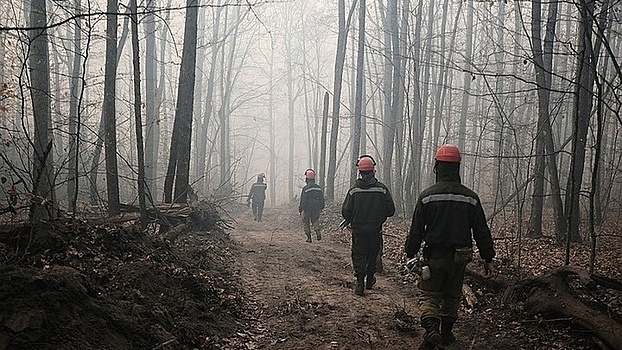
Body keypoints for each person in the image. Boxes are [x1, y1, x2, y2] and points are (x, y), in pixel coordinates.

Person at [404, 144, 496, 350]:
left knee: (430, 295)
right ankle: (445, 335)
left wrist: (410, 252)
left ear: (437, 167)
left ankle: (431, 330)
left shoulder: (427, 196)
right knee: (452, 295)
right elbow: (481, 230)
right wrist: (488, 258)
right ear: (457, 167)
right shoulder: (470, 197)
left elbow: (416, 229)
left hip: (433, 256)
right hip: (460, 258)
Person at [342, 155, 395, 296]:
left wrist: (353, 219)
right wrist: (379, 216)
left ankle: (360, 282)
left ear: (360, 172)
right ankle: (370, 279)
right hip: (375, 230)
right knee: (373, 254)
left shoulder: (353, 190)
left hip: (358, 231)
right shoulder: (382, 190)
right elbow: (391, 211)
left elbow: (346, 211)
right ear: (373, 171)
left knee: (358, 254)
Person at [298, 169, 325, 243]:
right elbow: (321, 198)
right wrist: (321, 206)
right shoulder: (318, 188)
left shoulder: (305, 189)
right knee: (315, 221)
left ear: (307, 178)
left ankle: (309, 238)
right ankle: (317, 231)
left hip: (307, 208)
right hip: (316, 208)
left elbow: (303, 200)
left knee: (306, 223)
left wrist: (301, 209)